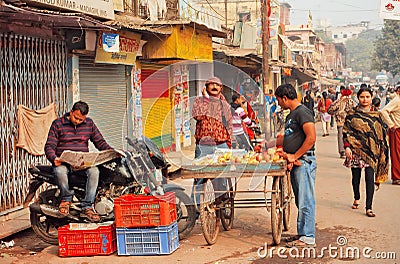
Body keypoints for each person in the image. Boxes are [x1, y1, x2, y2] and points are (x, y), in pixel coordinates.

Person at [45, 101, 113, 222]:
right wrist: (54, 158)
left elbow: (100, 142)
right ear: (71, 112)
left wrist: (112, 152)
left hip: (82, 164)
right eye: (76, 118)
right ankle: (66, 200)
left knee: (94, 171)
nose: (78, 121)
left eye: (81, 120)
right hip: (63, 163)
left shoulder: (89, 123)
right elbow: (49, 146)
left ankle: (87, 206)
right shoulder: (58, 124)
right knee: (60, 171)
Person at [269, 83, 317, 247]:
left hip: (304, 161)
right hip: (297, 162)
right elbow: (288, 137)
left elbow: (311, 138)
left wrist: (294, 156)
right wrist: (268, 144)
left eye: (278, 100)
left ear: (284, 98)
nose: (278, 104)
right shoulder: (292, 115)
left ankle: (308, 237)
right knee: (300, 200)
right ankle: (302, 234)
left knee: (306, 200)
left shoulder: (303, 112)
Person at [343, 87, 389, 217]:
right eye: (362, 97)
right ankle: (356, 197)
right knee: (355, 178)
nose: (365, 99)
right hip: (355, 151)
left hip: (372, 152)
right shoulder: (352, 114)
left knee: (369, 179)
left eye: (367, 97)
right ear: (358, 98)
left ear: (371, 98)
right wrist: (347, 147)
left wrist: (382, 151)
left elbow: (381, 134)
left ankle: (369, 207)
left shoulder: (377, 115)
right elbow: (346, 132)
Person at [191, 76, 233, 204]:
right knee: (199, 177)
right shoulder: (199, 101)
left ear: (221, 88)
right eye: (211, 84)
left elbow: (229, 123)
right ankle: (196, 210)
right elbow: (198, 116)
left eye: (217, 85)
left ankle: (222, 202)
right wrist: (206, 100)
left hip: (221, 144)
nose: (214, 87)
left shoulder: (224, 103)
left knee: (222, 178)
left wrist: (229, 143)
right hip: (203, 146)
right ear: (206, 87)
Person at [327, 86, 357, 158]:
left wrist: (336, 113)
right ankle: (350, 151)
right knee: (350, 136)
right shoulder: (352, 102)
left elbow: (330, 110)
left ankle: (342, 152)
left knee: (341, 136)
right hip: (351, 122)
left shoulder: (339, 101)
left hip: (340, 122)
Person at [380, 84, 400, 185]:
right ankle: (397, 177)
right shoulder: (397, 100)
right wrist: (391, 125)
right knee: (396, 154)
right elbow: (384, 111)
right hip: (397, 130)